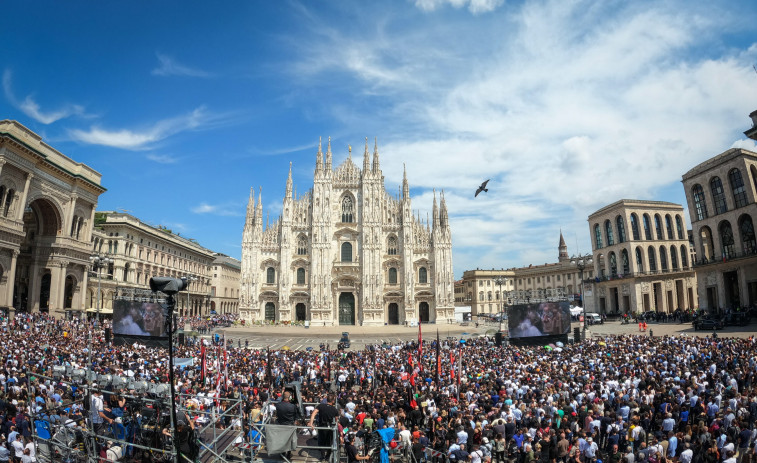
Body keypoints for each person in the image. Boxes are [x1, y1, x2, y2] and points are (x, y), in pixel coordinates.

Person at [309, 394, 339, 461]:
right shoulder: (334, 409)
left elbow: (313, 413)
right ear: (333, 401)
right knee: (329, 442)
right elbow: (336, 420)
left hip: (322, 426)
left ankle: (322, 456)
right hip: (330, 427)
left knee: (322, 441)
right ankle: (327, 456)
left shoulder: (321, 406)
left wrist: (311, 423)